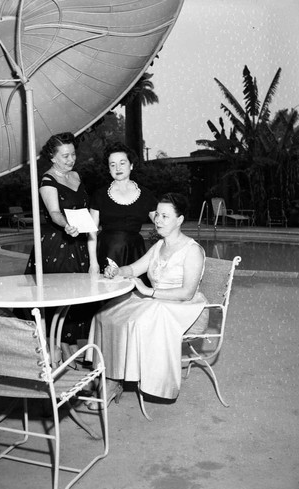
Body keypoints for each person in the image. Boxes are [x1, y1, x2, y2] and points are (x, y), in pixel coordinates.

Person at [87, 193, 209, 408]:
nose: (158, 220)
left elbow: (187, 293)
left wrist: (148, 292)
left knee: (137, 321)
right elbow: (134, 268)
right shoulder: (159, 246)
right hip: (158, 302)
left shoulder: (193, 250)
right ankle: (112, 376)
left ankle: (117, 380)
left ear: (179, 220)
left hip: (185, 309)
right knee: (106, 313)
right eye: (157, 215)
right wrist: (117, 271)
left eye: (165, 216)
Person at [25, 132, 94, 354]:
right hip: (59, 243)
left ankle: (69, 348)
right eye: (65, 156)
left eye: (73, 154)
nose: (70, 159)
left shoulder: (77, 176)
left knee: (78, 298)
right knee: (62, 297)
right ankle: (62, 350)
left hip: (79, 242)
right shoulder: (47, 180)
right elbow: (54, 212)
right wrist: (66, 225)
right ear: (52, 157)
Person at [88, 142, 157, 275]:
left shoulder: (146, 194)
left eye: (122, 163)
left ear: (131, 165)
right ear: (109, 169)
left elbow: (161, 223)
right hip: (107, 251)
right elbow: (91, 233)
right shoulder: (99, 195)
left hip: (135, 254)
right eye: (112, 164)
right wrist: (93, 263)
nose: (117, 168)